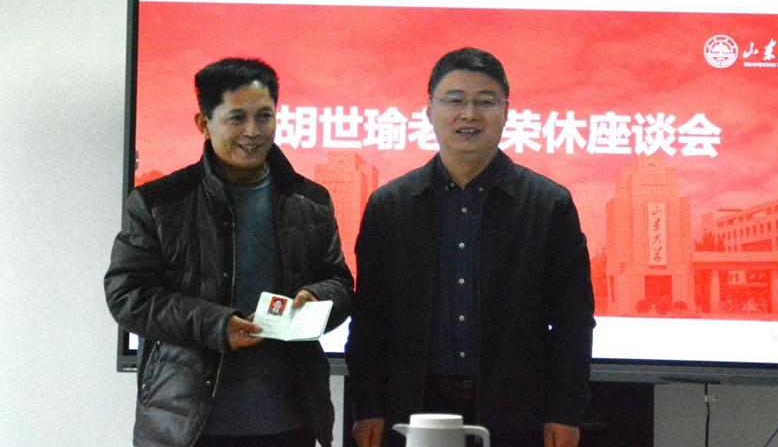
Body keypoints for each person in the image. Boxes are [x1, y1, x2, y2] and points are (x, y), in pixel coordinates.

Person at [345, 48, 595, 447]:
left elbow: (572, 321)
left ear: (506, 111)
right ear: (429, 110)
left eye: (485, 101)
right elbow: (370, 319)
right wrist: (367, 405)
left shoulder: (548, 205)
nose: (470, 114)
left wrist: (565, 412)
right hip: (412, 410)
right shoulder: (391, 206)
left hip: (515, 411)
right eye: (455, 100)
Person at [105, 58, 353, 447]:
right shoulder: (159, 202)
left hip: (290, 421)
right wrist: (216, 325)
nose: (253, 131)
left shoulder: (310, 200)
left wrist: (316, 297)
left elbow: (339, 282)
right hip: (188, 426)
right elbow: (128, 296)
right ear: (203, 123)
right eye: (237, 118)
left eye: (264, 116)